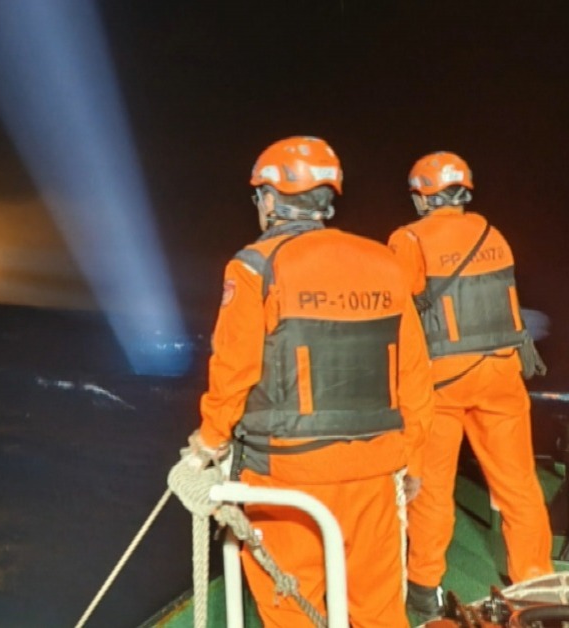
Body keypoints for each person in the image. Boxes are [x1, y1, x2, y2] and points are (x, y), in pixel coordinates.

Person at [188, 136, 434, 627]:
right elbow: (414, 373)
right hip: (375, 470)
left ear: (271, 199)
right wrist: (414, 461)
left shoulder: (254, 266)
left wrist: (208, 443)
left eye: (260, 195)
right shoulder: (384, 263)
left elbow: (234, 369)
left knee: (292, 607)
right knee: (379, 610)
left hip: (287, 475)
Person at [387, 151, 552, 619]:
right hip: (501, 374)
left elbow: (395, 310)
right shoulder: (493, 234)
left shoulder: (409, 239)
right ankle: (536, 582)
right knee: (519, 485)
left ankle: (424, 588)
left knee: (432, 488)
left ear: (423, 196)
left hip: (441, 381)